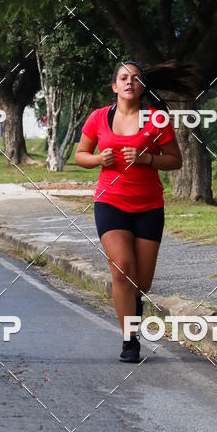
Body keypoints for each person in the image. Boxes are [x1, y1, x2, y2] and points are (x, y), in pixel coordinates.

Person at [75, 61, 183, 363]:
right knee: (122, 269)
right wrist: (98, 159)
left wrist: (147, 158)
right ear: (114, 86)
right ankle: (129, 340)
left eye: (135, 79)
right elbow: (80, 155)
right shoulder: (98, 118)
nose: (129, 83)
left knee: (141, 284)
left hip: (149, 206)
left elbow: (175, 160)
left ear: (142, 87)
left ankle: (133, 308)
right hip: (110, 202)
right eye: (123, 78)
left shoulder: (157, 120)